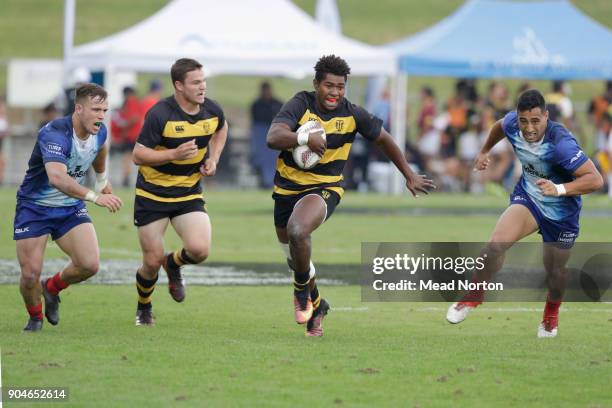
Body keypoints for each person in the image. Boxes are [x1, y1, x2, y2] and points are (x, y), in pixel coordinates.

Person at [266, 55, 435, 337]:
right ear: (316, 84)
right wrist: (304, 138)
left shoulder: (352, 114)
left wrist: (408, 174)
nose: (334, 92)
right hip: (286, 189)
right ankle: (317, 305)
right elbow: (273, 137)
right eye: (329, 85)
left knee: (299, 231)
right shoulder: (300, 103)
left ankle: (300, 291)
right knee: (294, 255)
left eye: (340, 86)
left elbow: (384, 138)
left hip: (325, 187)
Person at [446, 89, 603, 338]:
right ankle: (474, 295)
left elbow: (595, 180)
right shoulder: (512, 123)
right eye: (523, 121)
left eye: (535, 121)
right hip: (529, 198)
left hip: (562, 212)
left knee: (555, 273)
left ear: (546, 117)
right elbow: (499, 125)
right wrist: (485, 150)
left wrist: (559, 189)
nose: (529, 128)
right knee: (496, 244)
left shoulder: (561, 144)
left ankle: (550, 315)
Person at [14, 83, 123, 332]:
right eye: (96, 109)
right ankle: (35, 318)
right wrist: (96, 196)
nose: (101, 116)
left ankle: (51, 289)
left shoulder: (100, 131)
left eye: (105, 110)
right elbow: (57, 178)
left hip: (69, 207)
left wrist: (102, 179)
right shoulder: (54, 134)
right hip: (35, 207)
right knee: (29, 274)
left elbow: (101, 147)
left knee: (89, 264)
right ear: (78, 108)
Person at [131, 58, 228, 326]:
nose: (202, 87)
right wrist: (174, 153)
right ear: (178, 86)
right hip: (153, 196)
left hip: (188, 194)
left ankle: (173, 264)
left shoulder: (211, 110)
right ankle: (144, 306)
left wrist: (214, 158)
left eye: (203, 81)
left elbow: (222, 128)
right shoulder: (160, 114)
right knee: (151, 262)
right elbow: (138, 155)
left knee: (199, 250)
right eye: (196, 82)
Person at [250, 81, 283, 188]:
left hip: (275, 133)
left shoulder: (278, 103)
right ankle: (266, 182)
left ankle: (275, 181)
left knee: (275, 159)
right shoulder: (256, 104)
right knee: (263, 160)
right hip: (261, 135)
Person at [0, 95, 9, 185]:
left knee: (2, 162)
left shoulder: (4, 119)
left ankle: (1, 180)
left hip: (1, 144)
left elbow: (7, 130)